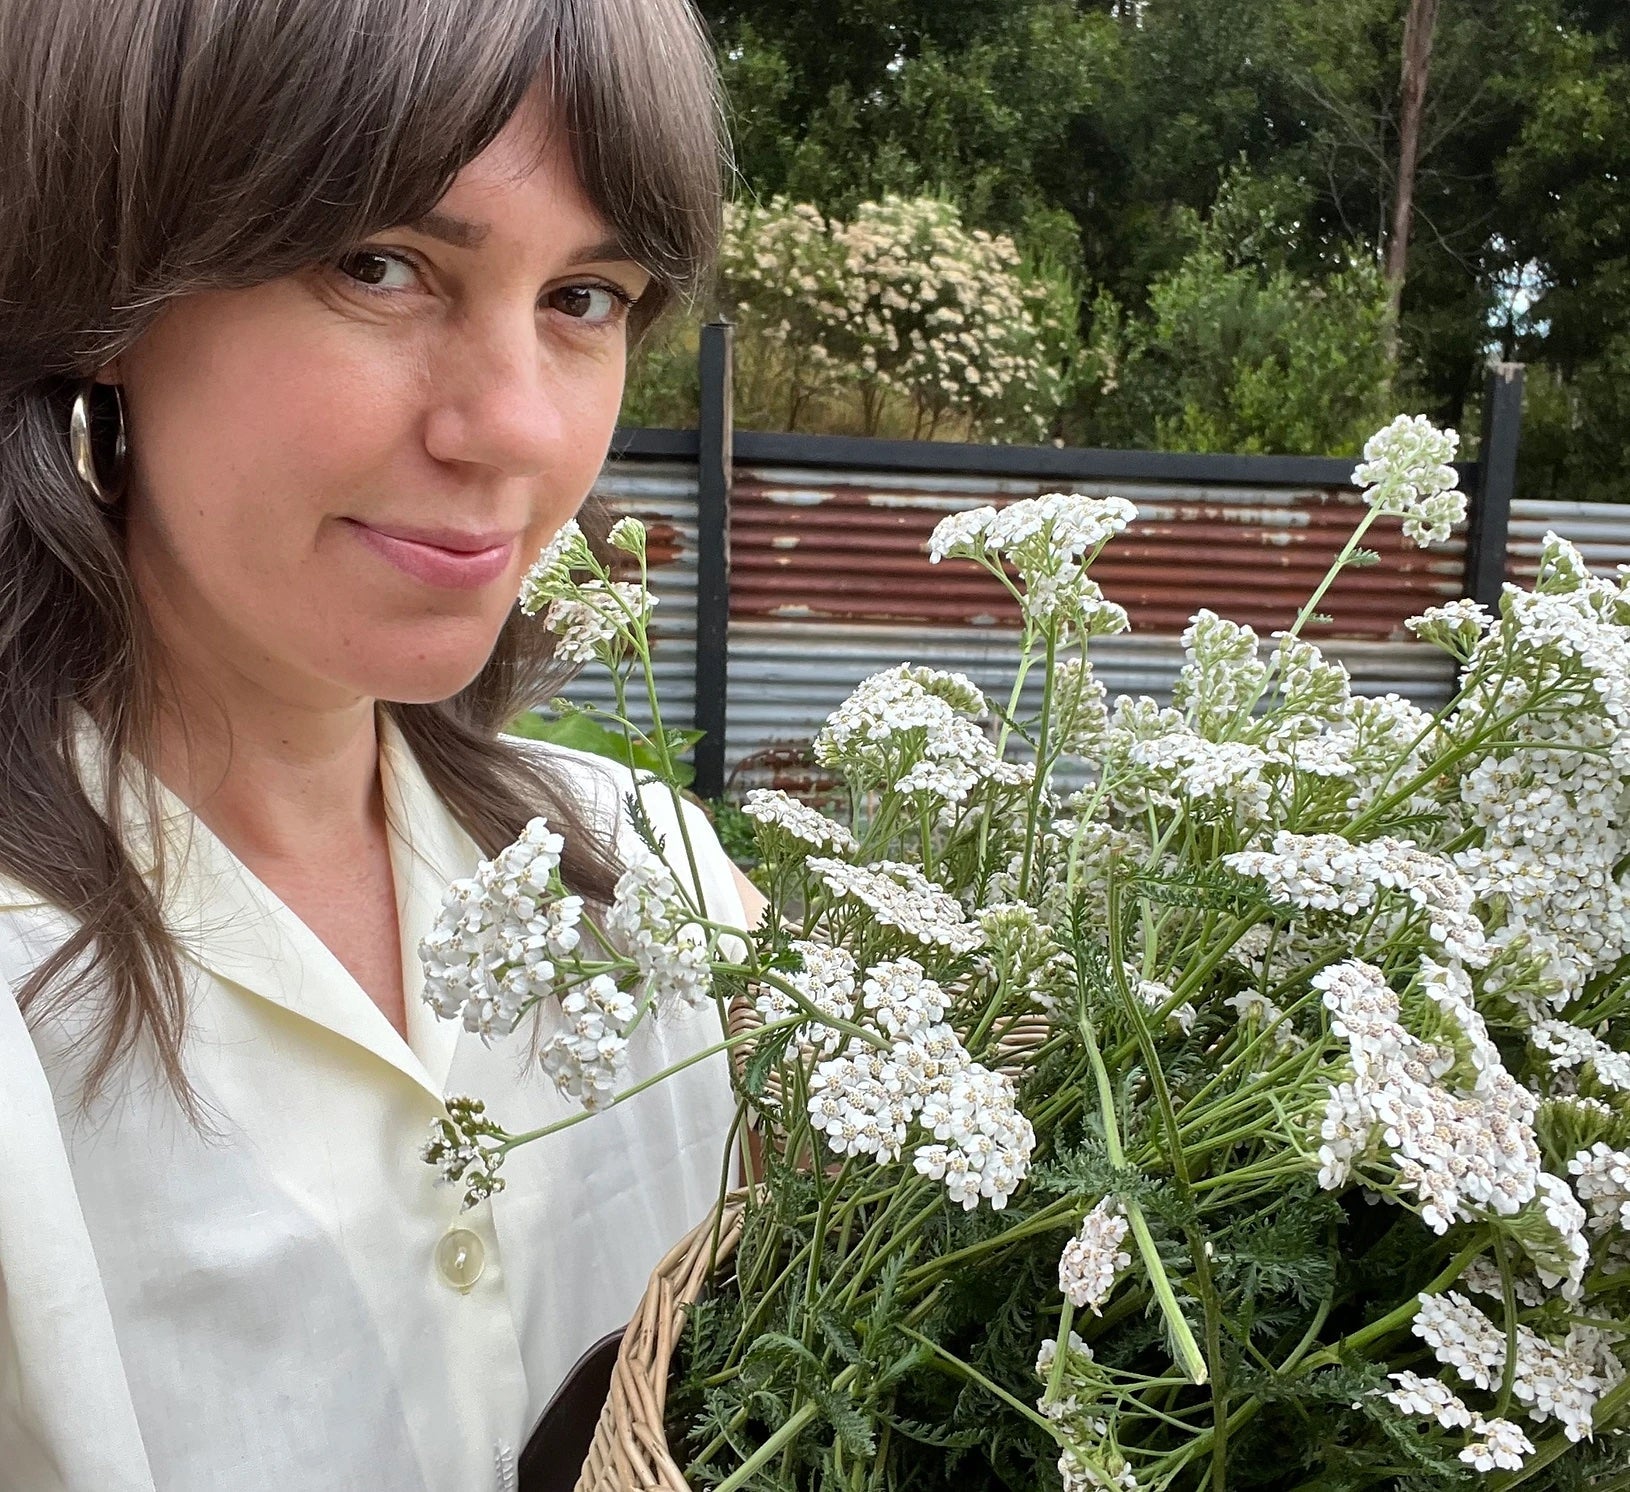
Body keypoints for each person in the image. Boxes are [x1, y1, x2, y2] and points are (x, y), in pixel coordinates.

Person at [0, 2, 768, 1488]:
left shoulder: (662, 883)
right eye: (380, 267)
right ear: (109, 305)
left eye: (586, 297)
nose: (519, 431)